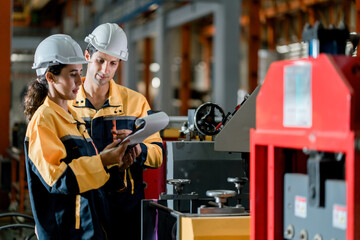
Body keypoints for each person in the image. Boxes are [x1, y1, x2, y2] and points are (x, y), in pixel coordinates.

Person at [23, 34, 135, 239]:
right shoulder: (43, 122)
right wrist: (102, 161)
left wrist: (112, 161)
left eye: (80, 73)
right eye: (72, 74)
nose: (79, 81)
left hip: (89, 229)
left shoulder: (71, 118)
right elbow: (58, 180)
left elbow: (85, 169)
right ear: (50, 77)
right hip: (66, 233)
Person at [71, 23, 164, 239]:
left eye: (113, 63)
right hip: (83, 206)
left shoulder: (136, 102)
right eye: (100, 61)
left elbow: (158, 153)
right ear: (87, 56)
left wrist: (138, 149)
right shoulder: (68, 103)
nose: (105, 70)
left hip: (126, 209)